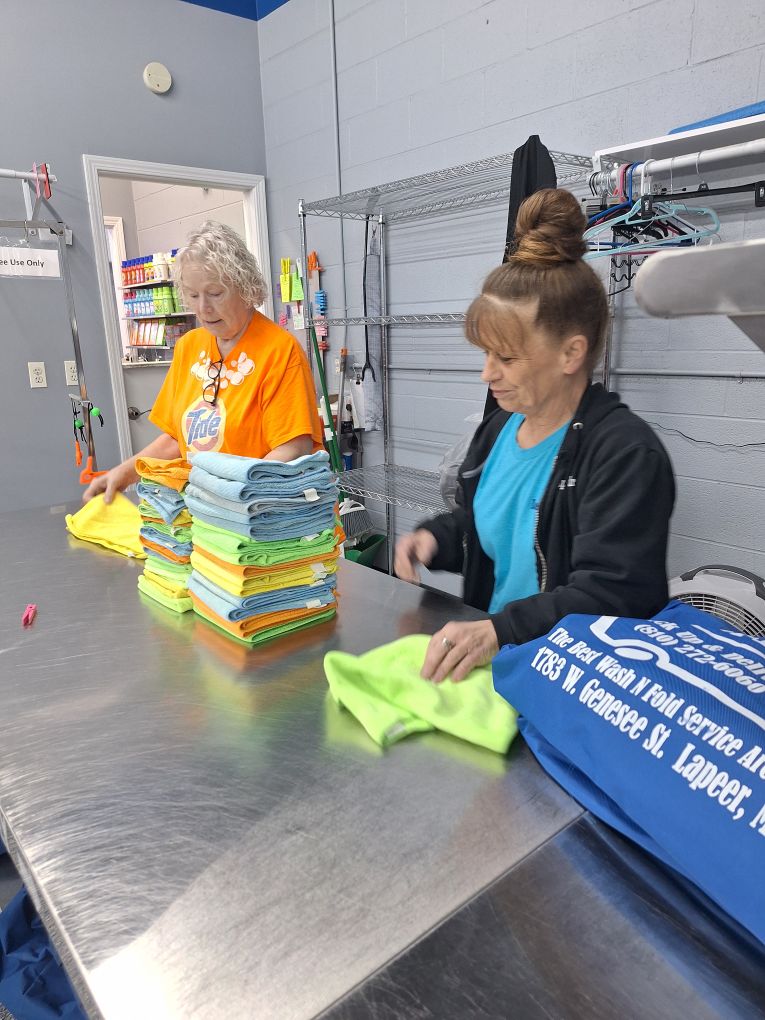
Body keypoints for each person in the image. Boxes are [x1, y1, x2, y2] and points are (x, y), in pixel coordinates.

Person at [394, 189, 675, 684]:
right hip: (498, 666)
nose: (487, 374)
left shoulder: (624, 454)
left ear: (571, 353)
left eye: (506, 358)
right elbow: (486, 527)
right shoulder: (499, 429)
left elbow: (612, 595)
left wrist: (500, 631)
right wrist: (436, 538)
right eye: (486, 355)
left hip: (575, 682)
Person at [84, 221, 322, 503]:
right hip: (206, 509)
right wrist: (125, 473)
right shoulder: (189, 347)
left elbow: (293, 447)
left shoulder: (280, 351)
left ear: (245, 287)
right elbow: (177, 439)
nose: (203, 308)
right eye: (193, 295)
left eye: (215, 293)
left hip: (261, 511)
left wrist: (232, 496)